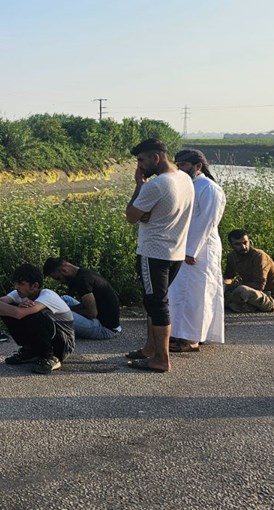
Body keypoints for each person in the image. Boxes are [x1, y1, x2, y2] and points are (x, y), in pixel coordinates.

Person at [125, 138, 194, 373]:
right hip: (175, 252)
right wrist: (147, 213)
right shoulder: (184, 178)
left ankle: (161, 359)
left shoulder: (156, 185)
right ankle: (149, 350)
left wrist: (138, 186)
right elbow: (154, 213)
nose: (140, 166)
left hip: (153, 252)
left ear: (156, 158)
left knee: (156, 304)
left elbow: (132, 215)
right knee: (155, 300)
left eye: (142, 160)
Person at [165, 148, 227, 352]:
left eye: (183, 165)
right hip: (181, 248)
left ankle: (192, 339)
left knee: (197, 294)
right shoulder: (186, 185)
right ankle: (179, 334)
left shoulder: (209, 188)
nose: (179, 168)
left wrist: (192, 250)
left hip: (200, 250)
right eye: (178, 164)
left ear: (198, 167)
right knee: (179, 293)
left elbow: (207, 221)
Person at [0, 263, 75, 375]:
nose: (16, 287)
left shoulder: (48, 295)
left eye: (21, 284)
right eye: (16, 283)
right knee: (9, 311)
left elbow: (18, 313)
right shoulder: (19, 293)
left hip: (63, 345)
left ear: (35, 286)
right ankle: (31, 351)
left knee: (31, 314)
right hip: (47, 339)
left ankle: (49, 357)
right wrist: (6, 307)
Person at [42, 258, 122, 340]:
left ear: (64, 270)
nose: (61, 282)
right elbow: (87, 306)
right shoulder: (83, 273)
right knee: (65, 299)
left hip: (105, 328)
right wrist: (69, 308)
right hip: (101, 319)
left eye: (58, 278)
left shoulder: (82, 281)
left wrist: (66, 310)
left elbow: (91, 313)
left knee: (55, 311)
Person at [223, 229, 274, 313]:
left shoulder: (259, 256)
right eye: (238, 244)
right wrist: (223, 286)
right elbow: (229, 277)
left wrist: (234, 288)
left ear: (249, 241)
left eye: (245, 242)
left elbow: (259, 285)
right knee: (219, 288)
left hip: (267, 295)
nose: (243, 247)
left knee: (242, 290)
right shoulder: (232, 257)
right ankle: (237, 304)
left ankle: (235, 303)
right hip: (248, 292)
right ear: (231, 245)